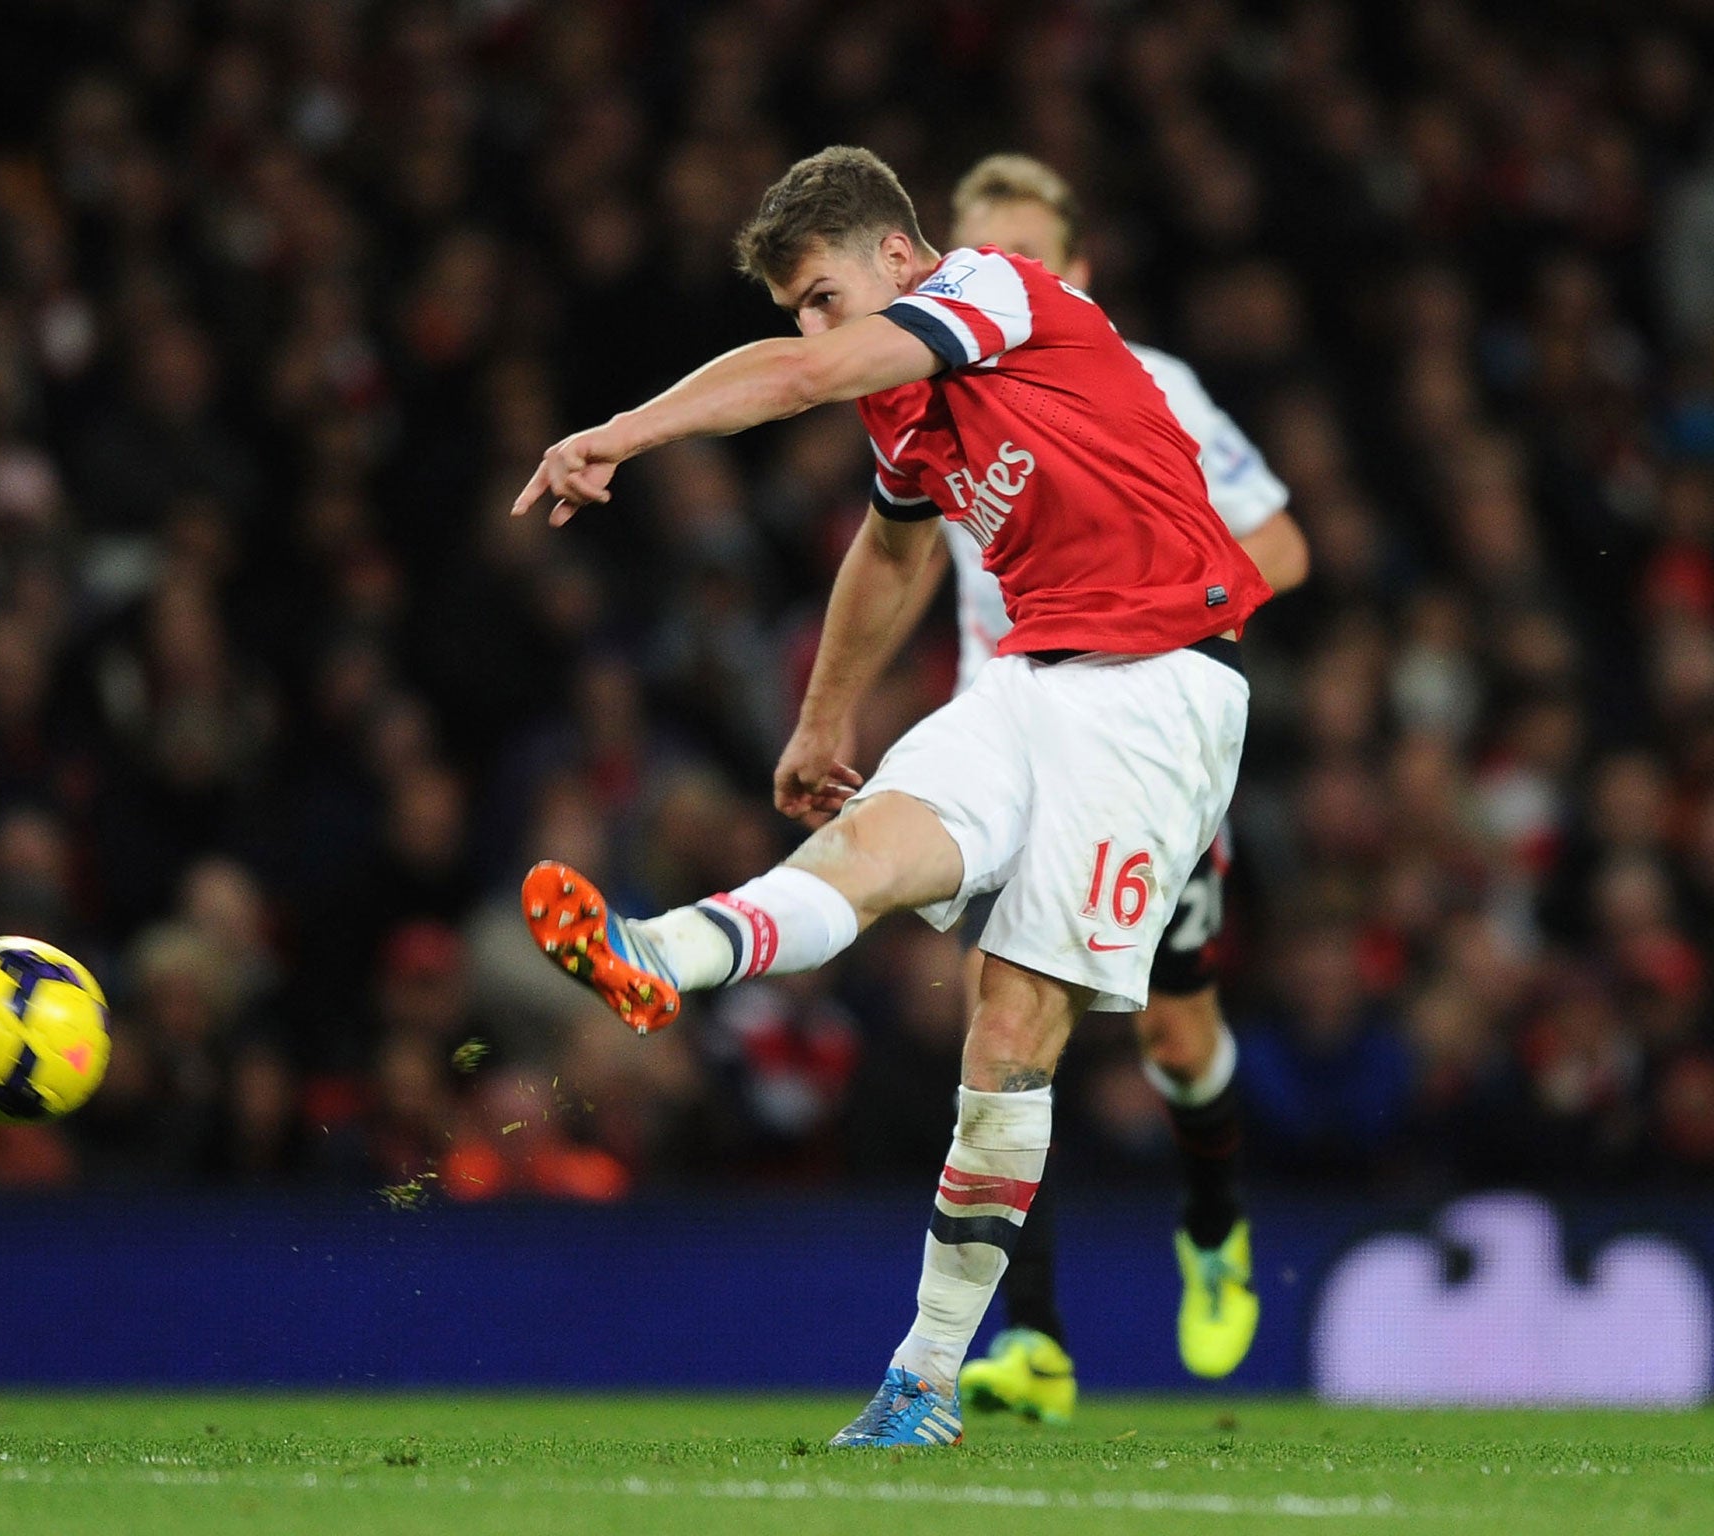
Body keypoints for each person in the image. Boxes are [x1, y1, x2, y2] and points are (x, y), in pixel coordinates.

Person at [511, 146, 1268, 1447]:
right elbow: (890, 547)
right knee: (868, 849)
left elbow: (806, 377)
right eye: (793, 309)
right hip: (1035, 676)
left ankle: (923, 1379)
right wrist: (819, 720)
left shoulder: (996, 289)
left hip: (1160, 691)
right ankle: (659, 954)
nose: (811, 330)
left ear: (900, 261)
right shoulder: (909, 412)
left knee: (1008, 1034)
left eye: (820, 296)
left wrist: (620, 435)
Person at [930, 156, 1308, 1425]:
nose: (1001, 282)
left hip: (1143, 738)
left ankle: (1211, 1219)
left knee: (1169, 1032)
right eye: (976, 260)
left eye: (1028, 258)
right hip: (1012, 742)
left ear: (1075, 273)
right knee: (1003, 1019)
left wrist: (1183, 614)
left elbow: (1283, 540)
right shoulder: (927, 400)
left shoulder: (1155, 386)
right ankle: (1029, 1339)